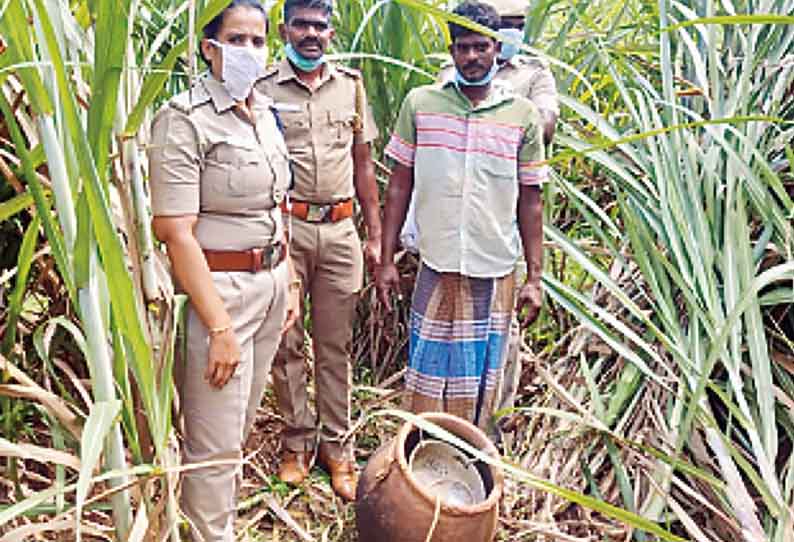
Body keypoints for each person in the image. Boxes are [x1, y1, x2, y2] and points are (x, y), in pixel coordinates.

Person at [148, 1, 299, 539]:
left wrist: (291, 281)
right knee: (212, 446)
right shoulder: (183, 118)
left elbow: (278, 204)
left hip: (270, 286)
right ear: (208, 47)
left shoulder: (265, 112)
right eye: (237, 40)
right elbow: (175, 231)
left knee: (236, 432)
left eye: (259, 41)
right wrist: (219, 327)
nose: (250, 52)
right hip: (222, 294)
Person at [375, 0, 547, 434]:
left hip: (493, 268)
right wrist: (386, 259)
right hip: (437, 263)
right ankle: (423, 452)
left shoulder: (521, 115)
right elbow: (399, 183)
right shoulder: (421, 104)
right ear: (451, 51)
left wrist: (535, 278)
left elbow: (531, 200)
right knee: (429, 370)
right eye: (462, 48)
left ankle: (474, 457)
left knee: (485, 377)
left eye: (480, 47)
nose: (471, 57)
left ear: (496, 49)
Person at [256, 0, 381, 502]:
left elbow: (364, 163)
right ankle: (295, 444)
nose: (311, 34)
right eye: (301, 24)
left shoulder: (350, 85)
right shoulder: (264, 88)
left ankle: (339, 450)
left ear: (332, 32)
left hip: (340, 229)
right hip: (287, 229)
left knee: (336, 346)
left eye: (320, 26)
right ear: (284, 29)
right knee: (287, 343)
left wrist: (374, 235)